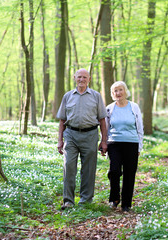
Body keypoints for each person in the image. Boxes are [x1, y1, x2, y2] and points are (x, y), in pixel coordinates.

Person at [56, 68, 108, 210]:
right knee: (69, 167)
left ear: (89, 79)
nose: (82, 80)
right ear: (74, 78)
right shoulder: (67, 96)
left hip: (90, 135)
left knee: (89, 169)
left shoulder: (96, 96)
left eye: (84, 77)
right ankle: (68, 201)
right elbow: (62, 120)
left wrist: (104, 141)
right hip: (71, 135)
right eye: (79, 77)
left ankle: (85, 200)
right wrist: (60, 140)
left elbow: (102, 120)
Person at [105, 81, 144, 212]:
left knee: (129, 173)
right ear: (112, 94)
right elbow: (106, 128)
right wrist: (104, 143)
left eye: (120, 90)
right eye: (115, 91)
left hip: (132, 143)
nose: (118, 93)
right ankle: (114, 198)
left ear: (125, 91)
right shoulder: (109, 108)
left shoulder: (134, 107)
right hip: (114, 143)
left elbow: (140, 128)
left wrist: (139, 146)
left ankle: (126, 204)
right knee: (114, 171)